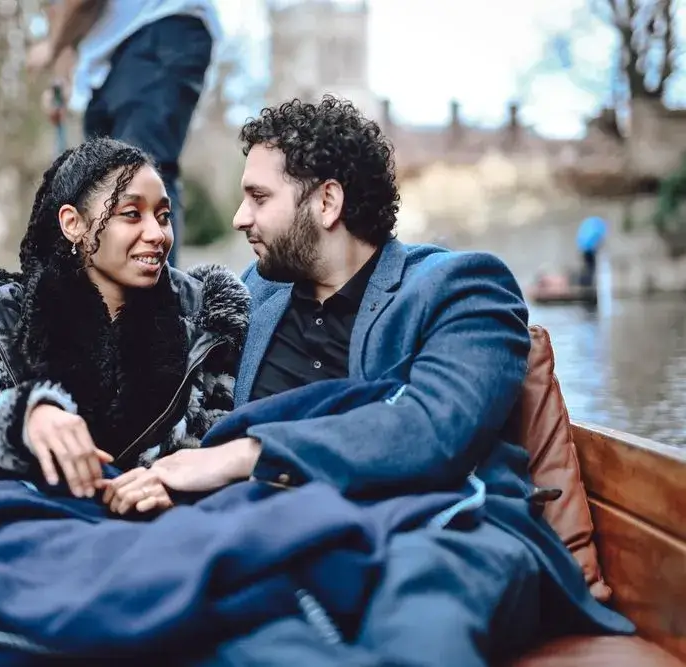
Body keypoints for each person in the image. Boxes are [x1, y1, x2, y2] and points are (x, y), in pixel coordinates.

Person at [109, 97, 633, 666]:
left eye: (259, 198)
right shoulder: (248, 298)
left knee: (420, 618)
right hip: (274, 532)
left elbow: (434, 430)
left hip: (438, 532)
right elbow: (134, 360)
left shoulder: (461, 287)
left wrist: (246, 454)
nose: (239, 217)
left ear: (327, 201)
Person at [0, 136, 248, 514]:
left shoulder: (204, 320)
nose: (157, 234)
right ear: (73, 223)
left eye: (163, 216)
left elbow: (226, 448)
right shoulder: (4, 315)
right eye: (132, 214)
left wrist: (177, 490)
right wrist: (23, 421)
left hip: (164, 533)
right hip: (39, 527)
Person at [26, 0, 222, 267]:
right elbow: (66, 14)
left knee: (139, 178)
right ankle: (112, 301)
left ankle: (155, 304)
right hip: (105, 64)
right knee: (101, 188)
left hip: (160, 28)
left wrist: (51, 46)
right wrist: (61, 80)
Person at [576, 215, 607, 286]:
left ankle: (587, 283)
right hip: (589, 252)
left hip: (586, 251)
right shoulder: (595, 230)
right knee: (590, 269)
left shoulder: (587, 230)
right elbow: (598, 241)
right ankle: (588, 283)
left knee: (588, 269)